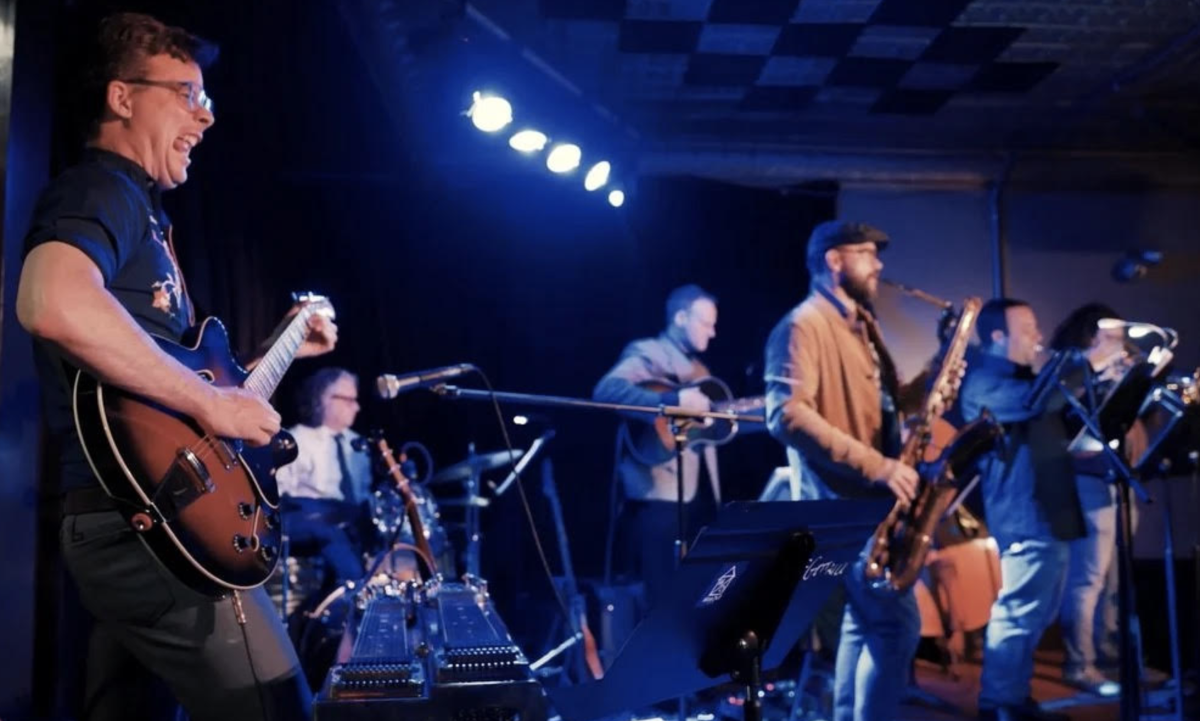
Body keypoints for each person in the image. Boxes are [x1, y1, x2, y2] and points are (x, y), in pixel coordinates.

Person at [17, 13, 335, 720]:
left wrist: (282, 351)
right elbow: (51, 300)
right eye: (187, 95)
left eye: (206, 99)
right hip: (149, 529)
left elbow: (183, 402)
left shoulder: (146, 214)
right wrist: (214, 402)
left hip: (146, 520)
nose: (205, 116)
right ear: (122, 97)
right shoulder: (100, 189)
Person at [764, 220, 930, 721]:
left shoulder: (859, 324)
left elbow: (882, 408)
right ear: (834, 261)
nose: (878, 264)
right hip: (841, 505)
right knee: (896, 626)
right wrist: (877, 466)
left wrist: (933, 378)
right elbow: (786, 415)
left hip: (866, 502)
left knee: (865, 624)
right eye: (866, 253)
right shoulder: (804, 325)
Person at [957, 299, 1085, 721]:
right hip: (1024, 514)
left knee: (1036, 614)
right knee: (1017, 612)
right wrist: (1088, 364)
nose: (1038, 336)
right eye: (1028, 328)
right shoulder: (983, 382)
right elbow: (1031, 403)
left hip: (1050, 511)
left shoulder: (1028, 379)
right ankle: (998, 703)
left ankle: (1013, 697)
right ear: (998, 336)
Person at [593, 284, 721, 609]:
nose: (712, 332)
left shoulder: (701, 370)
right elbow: (607, 391)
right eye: (705, 323)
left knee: (699, 599)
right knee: (663, 599)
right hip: (657, 495)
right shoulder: (649, 352)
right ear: (681, 318)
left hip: (697, 497)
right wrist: (672, 400)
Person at [1048, 303, 1143, 697]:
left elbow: (1134, 428)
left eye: (1121, 338)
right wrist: (1098, 372)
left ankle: (1108, 652)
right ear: (1089, 338)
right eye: (1110, 338)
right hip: (1087, 482)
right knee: (1088, 577)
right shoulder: (1070, 373)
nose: (1119, 346)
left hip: (1117, 480)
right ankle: (1080, 663)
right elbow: (1059, 426)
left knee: (1114, 578)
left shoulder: (1114, 374)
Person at [275, 368, 373, 589]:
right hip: (304, 521)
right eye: (349, 400)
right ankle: (355, 587)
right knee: (328, 528)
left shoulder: (359, 446)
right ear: (325, 399)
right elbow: (277, 498)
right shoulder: (297, 440)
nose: (357, 407)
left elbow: (363, 495)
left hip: (348, 522)